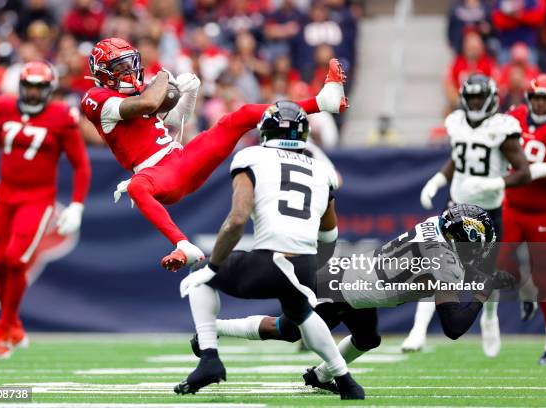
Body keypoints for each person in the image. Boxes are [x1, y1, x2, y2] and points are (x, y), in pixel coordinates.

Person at [81, 37, 348, 271]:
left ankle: (322, 102)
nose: (129, 71)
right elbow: (149, 103)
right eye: (121, 68)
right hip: (159, 175)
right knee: (137, 187)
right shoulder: (95, 98)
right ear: (104, 74)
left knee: (238, 117)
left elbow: (175, 119)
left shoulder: (138, 94)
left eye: (131, 64)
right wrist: (164, 75)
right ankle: (183, 245)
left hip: (182, 158)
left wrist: (188, 94)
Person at [190, 204, 503, 394]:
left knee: (368, 338)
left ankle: (320, 376)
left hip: (358, 282)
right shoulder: (443, 260)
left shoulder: (437, 227)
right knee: (286, 330)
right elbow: (453, 326)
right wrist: (480, 294)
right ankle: (215, 328)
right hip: (341, 288)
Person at [175, 101, 364, 400]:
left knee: (200, 273)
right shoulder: (322, 170)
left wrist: (213, 266)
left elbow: (237, 219)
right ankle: (346, 380)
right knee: (300, 312)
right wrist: (315, 271)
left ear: (266, 130)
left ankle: (209, 357)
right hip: (302, 264)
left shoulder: (251, 157)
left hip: (270, 261)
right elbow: (329, 234)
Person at [404, 74, 531, 356]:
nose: (474, 102)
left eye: (478, 97)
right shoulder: (457, 122)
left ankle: (489, 319)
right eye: (470, 97)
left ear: (491, 98)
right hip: (456, 208)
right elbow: (460, 158)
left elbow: (525, 172)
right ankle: (418, 330)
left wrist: (493, 183)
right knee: (436, 267)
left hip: (488, 212)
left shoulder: (503, 128)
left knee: (483, 276)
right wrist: (437, 180)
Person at [0, 61, 91, 359]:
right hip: (4, 196)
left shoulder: (62, 116)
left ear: (49, 89)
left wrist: (76, 204)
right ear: (22, 86)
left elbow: (81, 165)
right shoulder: (3, 107)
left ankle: (2, 329)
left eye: (40, 87)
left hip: (37, 199)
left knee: (15, 258)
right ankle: (12, 324)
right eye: (30, 86)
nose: (34, 93)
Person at [499, 73, 546, 364]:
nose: (541, 104)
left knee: (543, 278)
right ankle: (524, 293)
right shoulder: (514, 116)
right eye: (537, 98)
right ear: (529, 98)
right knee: (497, 263)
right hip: (513, 205)